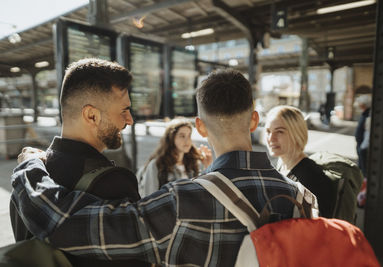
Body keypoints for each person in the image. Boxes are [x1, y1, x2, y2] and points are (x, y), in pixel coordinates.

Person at [11, 69, 318, 266]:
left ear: (200, 127)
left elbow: (64, 223)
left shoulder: (181, 202)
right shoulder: (304, 199)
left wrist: (29, 167)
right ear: (254, 120)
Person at [10, 58, 148, 267]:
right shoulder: (114, 183)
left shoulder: (26, 179)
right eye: (124, 110)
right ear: (91, 115)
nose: (129, 120)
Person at [265, 105, 336, 217]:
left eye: (279, 132)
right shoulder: (281, 167)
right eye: (268, 131)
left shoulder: (313, 179)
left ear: (296, 133)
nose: (271, 138)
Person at [138, 117, 212, 196]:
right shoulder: (157, 165)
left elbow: (202, 193)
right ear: (171, 138)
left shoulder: (193, 163)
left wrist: (207, 167)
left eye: (189, 136)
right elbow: (150, 197)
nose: (187, 140)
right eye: (182, 136)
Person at [354, 94, 371, 176]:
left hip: (362, 146)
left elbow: (367, 132)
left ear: (363, 104)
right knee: (360, 167)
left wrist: (362, 147)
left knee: (363, 169)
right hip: (360, 144)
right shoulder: (364, 114)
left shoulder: (368, 115)